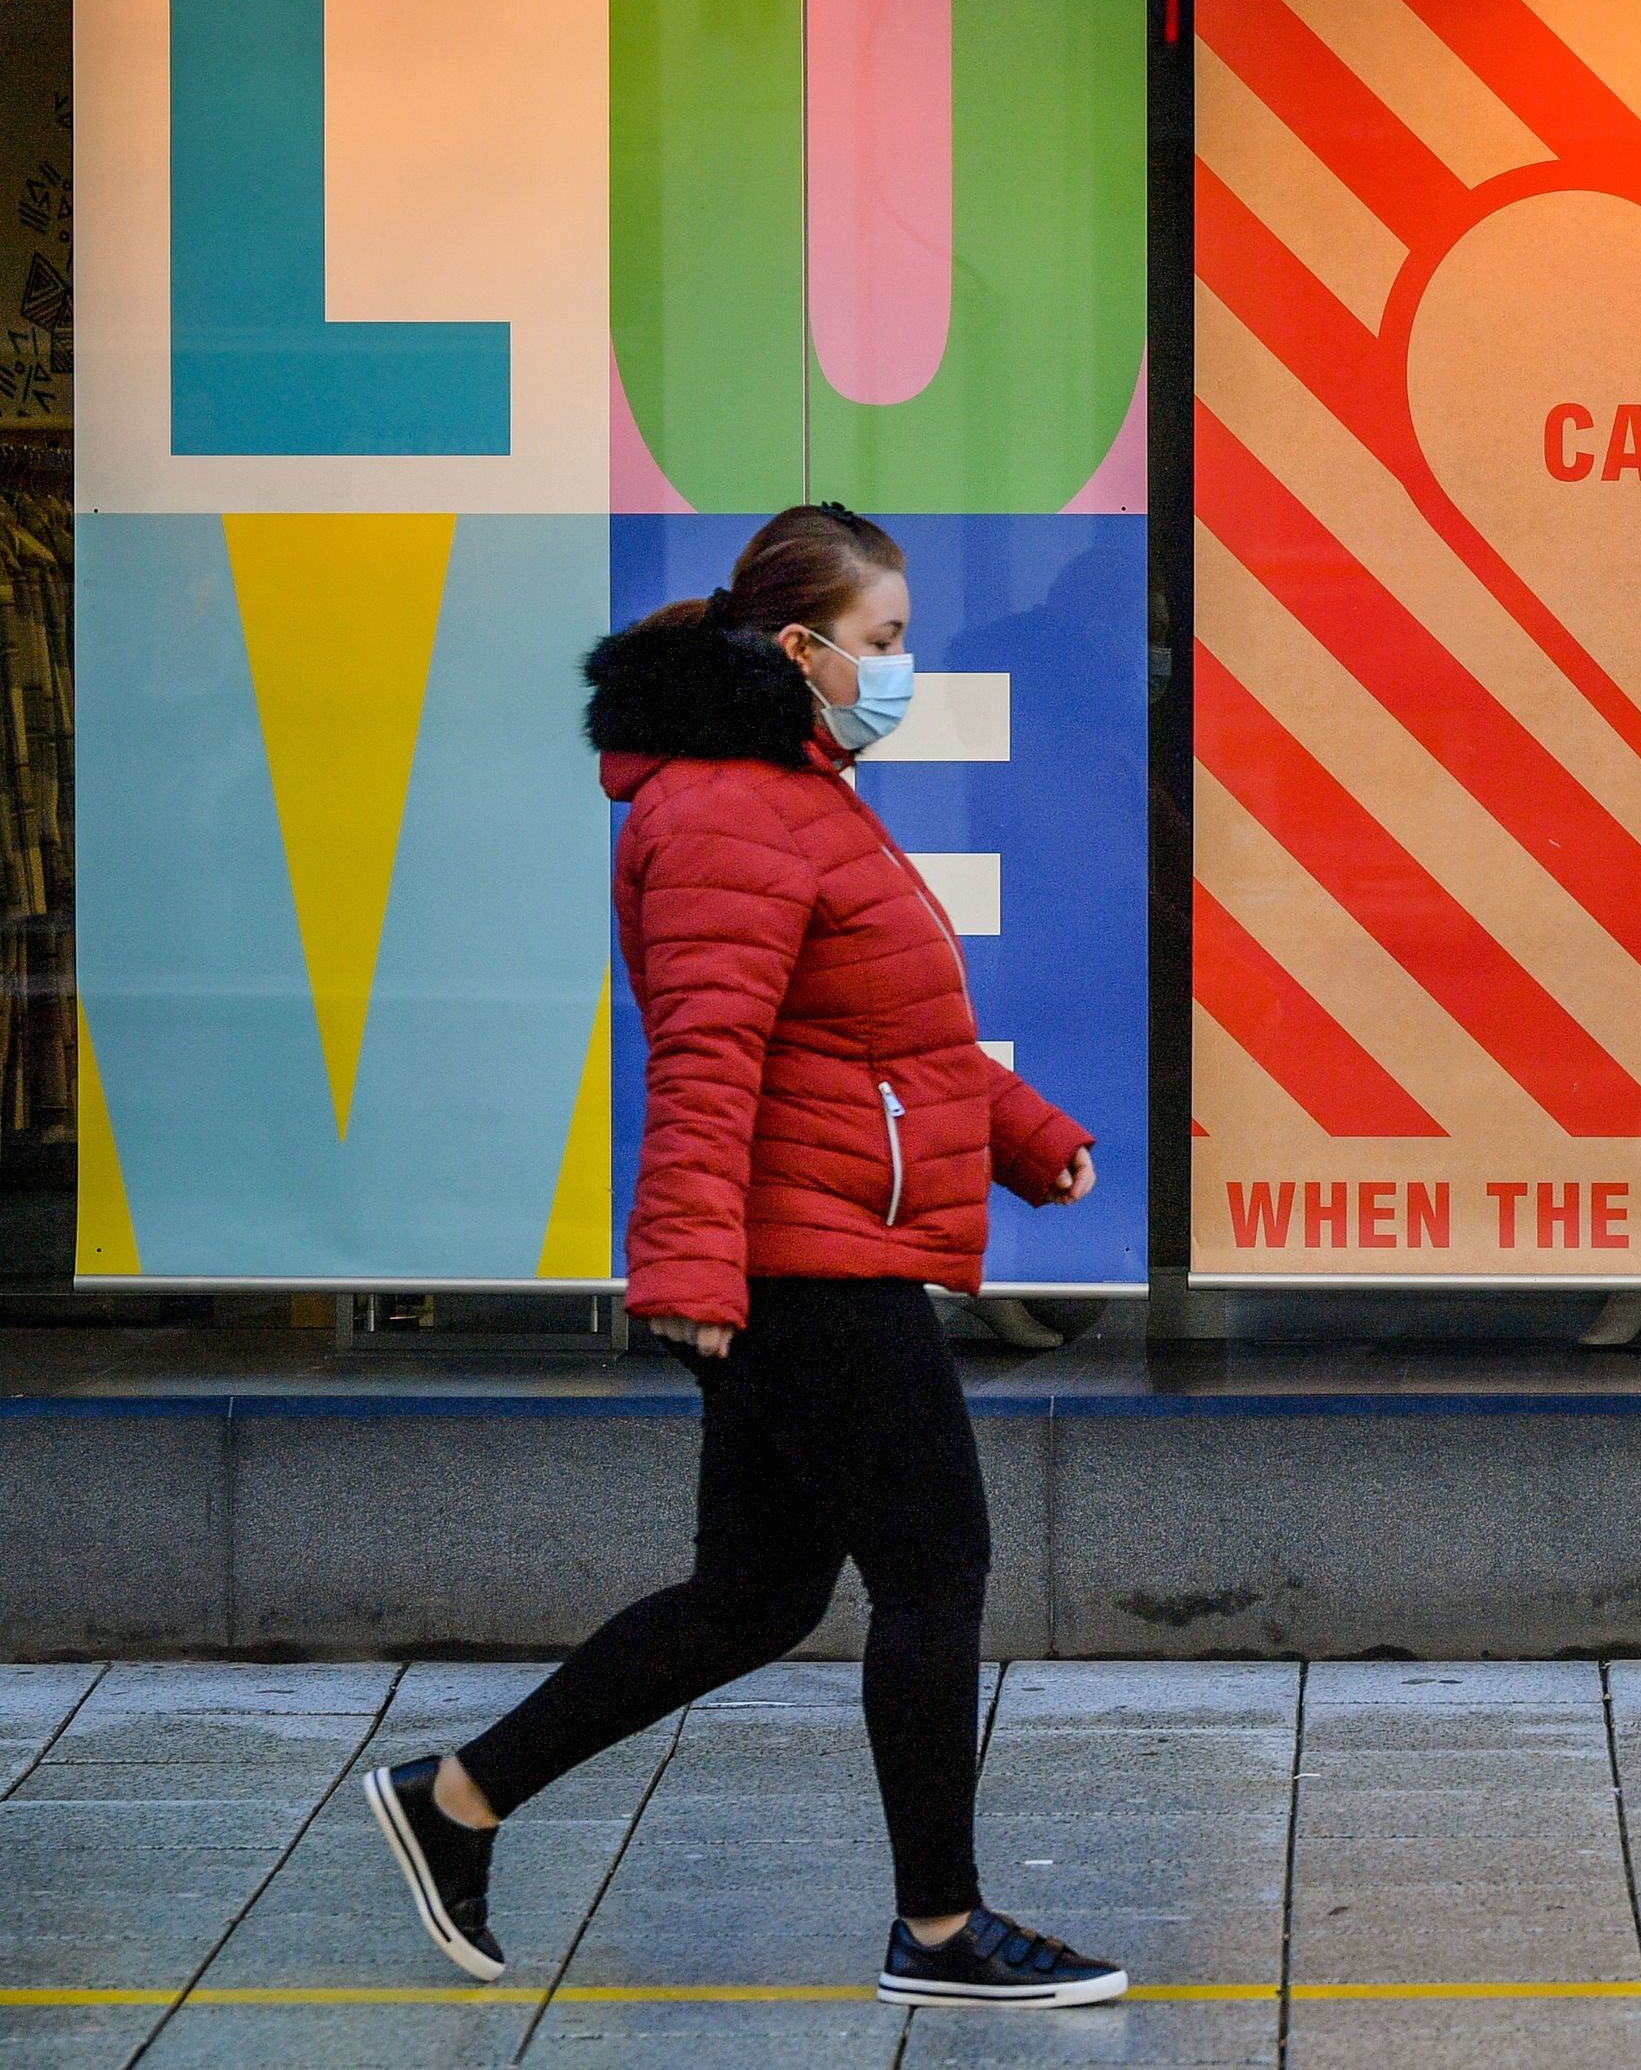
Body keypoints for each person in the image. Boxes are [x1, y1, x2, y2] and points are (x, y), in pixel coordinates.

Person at [358, 506, 1127, 2009]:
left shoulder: (792, 790)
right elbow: (708, 1058)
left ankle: (458, 1798)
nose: (903, 666)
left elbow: (883, 1027)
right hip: (799, 1260)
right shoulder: (725, 810)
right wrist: (695, 1277)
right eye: (888, 641)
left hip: (811, 1236)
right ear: (804, 647)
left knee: (757, 1592)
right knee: (936, 1564)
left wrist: (1027, 1133)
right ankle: (945, 1930)